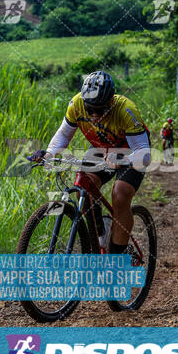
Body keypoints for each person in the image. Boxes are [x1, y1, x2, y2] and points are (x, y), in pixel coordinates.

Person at [30, 71, 150, 254]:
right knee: (84, 184)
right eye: (89, 109)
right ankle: (101, 235)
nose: (94, 115)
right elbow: (63, 135)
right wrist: (48, 154)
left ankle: (115, 260)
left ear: (111, 102)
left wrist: (123, 159)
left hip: (131, 152)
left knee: (120, 194)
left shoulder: (126, 110)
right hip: (100, 149)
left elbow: (144, 152)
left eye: (99, 110)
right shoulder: (76, 104)